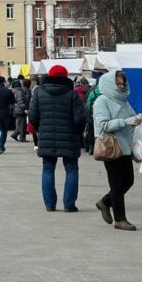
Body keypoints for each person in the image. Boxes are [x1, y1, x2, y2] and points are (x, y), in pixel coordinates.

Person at [30, 65, 86, 212]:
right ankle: (69, 204)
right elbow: (80, 118)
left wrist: (39, 129)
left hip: (46, 135)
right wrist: (77, 133)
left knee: (48, 169)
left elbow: (33, 116)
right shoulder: (72, 94)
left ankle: (50, 204)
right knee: (72, 169)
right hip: (70, 136)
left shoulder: (38, 93)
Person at [92, 69, 142, 231]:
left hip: (125, 147)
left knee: (128, 181)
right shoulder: (102, 101)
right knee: (116, 184)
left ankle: (105, 202)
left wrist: (136, 119)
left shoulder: (124, 100)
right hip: (111, 147)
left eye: (123, 83)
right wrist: (125, 122)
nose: (121, 87)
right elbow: (103, 125)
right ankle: (120, 219)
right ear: (109, 84)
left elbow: (131, 117)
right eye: (118, 84)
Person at [10, 78, 31, 143]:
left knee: (20, 124)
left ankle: (16, 135)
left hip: (17, 109)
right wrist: (25, 108)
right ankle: (21, 137)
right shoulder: (19, 92)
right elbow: (20, 101)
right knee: (22, 125)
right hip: (20, 109)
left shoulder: (14, 91)